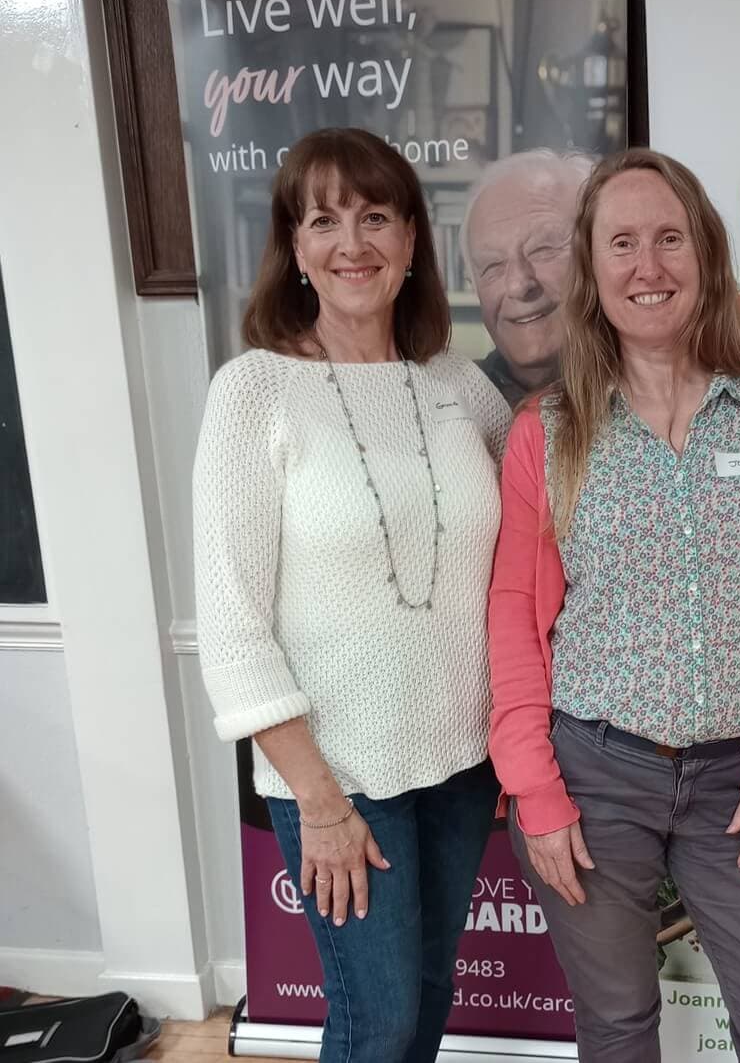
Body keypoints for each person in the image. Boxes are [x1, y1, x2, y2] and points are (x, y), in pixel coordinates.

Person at [487, 148, 740, 1062]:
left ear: (706, 255)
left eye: (669, 239)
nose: (648, 267)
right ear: (592, 267)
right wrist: (535, 789)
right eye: (622, 243)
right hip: (594, 775)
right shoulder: (552, 431)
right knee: (616, 1028)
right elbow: (513, 620)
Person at [193, 128, 512, 1063]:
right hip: (339, 777)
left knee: (428, 1000)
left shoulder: (458, 387)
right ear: (294, 248)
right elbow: (231, 616)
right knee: (376, 1026)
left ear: (413, 240)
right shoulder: (256, 393)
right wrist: (320, 802)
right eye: (324, 219)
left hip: (461, 763)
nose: (353, 242)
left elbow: (537, 521)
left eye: (376, 216)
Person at [461, 149, 593, 406]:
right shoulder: (455, 409)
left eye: (543, 250)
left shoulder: (657, 397)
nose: (519, 284)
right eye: (492, 266)